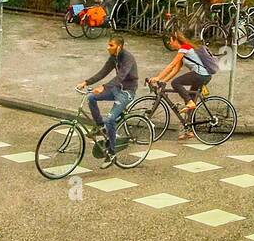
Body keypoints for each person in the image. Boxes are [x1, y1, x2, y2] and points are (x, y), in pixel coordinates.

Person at [78, 33, 138, 168]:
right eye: (108, 44)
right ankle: (100, 126)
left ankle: (112, 153)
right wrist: (86, 82)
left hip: (127, 91)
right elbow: (103, 72)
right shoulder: (113, 57)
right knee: (92, 97)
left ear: (119, 47)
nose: (108, 47)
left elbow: (121, 77)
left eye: (111, 45)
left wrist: (104, 87)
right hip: (116, 89)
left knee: (111, 119)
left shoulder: (128, 58)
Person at [148, 29, 215, 138]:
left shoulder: (184, 49)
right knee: (189, 101)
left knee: (176, 83)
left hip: (201, 75)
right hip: (202, 76)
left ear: (175, 40)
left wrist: (157, 77)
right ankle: (188, 130)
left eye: (170, 41)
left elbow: (171, 65)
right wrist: (163, 81)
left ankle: (190, 103)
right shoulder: (183, 51)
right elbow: (175, 70)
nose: (169, 43)